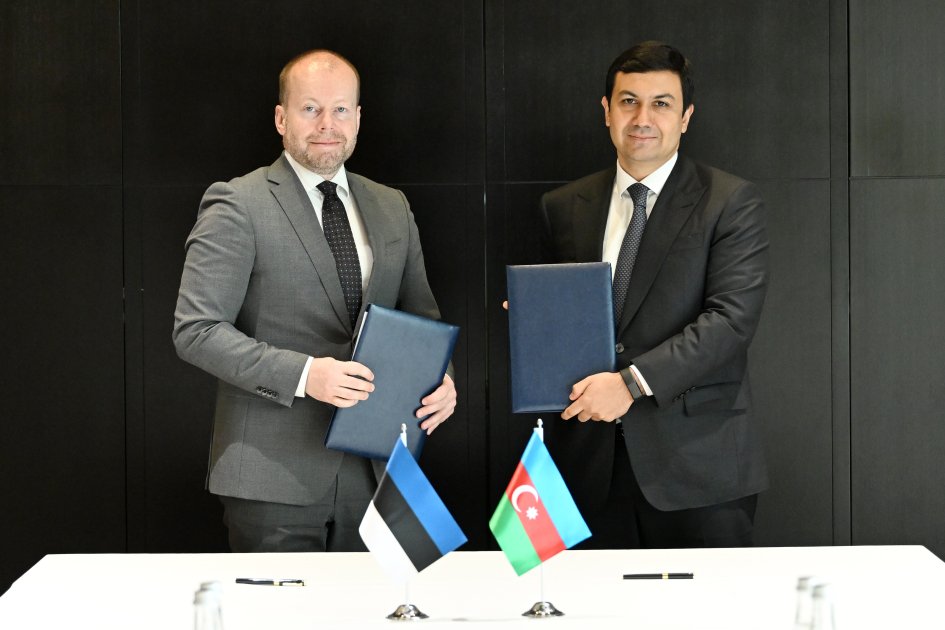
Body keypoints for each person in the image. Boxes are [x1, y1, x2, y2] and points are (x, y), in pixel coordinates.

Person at [173, 50, 456, 552]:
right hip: (271, 477)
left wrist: (442, 377)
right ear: (281, 118)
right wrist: (307, 375)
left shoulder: (392, 205)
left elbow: (421, 317)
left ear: (358, 118)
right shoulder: (237, 203)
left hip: (378, 471)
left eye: (341, 109)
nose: (328, 124)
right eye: (310, 109)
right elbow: (197, 331)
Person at [538, 41, 769, 548]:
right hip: (586, 466)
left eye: (661, 103)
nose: (642, 118)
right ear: (607, 111)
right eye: (628, 101)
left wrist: (630, 384)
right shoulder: (563, 206)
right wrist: (536, 321)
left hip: (698, 466)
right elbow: (567, 320)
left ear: (685, 117)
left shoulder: (730, 202)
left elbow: (730, 321)